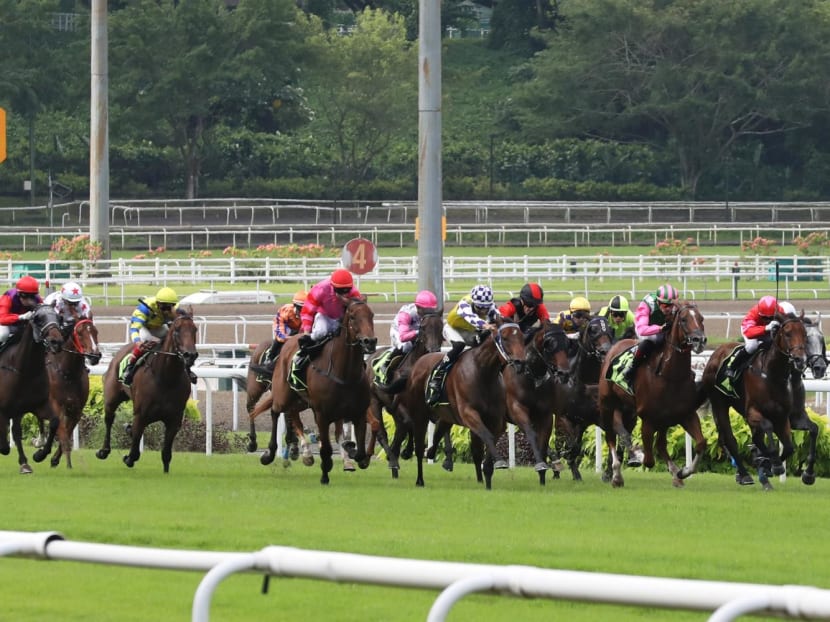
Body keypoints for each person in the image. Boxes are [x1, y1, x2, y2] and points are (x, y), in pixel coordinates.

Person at [426, 284, 499, 407]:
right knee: (459, 346)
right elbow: (472, 318)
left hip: (470, 330)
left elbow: (499, 317)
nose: (483, 311)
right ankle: (438, 374)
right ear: (474, 302)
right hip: (452, 328)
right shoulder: (465, 303)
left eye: (486, 309)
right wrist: (486, 325)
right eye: (480, 308)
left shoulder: (490, 305)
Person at [122, 286, 194, 385]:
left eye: (169, 307)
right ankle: (130, 367)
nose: (166, 311)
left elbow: (185, 320)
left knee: (173, 338)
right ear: (158, 303)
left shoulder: (175, 309)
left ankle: (187, 369)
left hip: (159, 327)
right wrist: (138, 341)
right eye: (164, 307)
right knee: (148, 339)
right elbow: (135, 328)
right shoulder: (144, 308)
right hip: (144, 328)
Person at [296, 268, 363, 366]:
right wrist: (306, 332)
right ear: (332, 286)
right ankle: (304, 354)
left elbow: (359, 311)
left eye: (347, 290)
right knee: (321, 332)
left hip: (341, 318)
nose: (345, 294)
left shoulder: (354, 292)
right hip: (324, 316)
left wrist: (346, 302)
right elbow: (307, 310)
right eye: (341, 291)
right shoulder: (320, 289)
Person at [622, 283, 679, 386]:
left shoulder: (676, 307)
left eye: (671, 305)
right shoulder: (647, 304)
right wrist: (660, 328)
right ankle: (632, 368)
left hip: (663, 329)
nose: (668, 309)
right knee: (653, 340)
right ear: (658, 301)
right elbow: (642, 330)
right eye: (665, 305)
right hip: (646, 329)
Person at [723, 295, 783, 379]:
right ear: (760, 313)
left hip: (769, 330)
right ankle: (732, 367)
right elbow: (749, 332)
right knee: (752, 346)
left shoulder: (781, 311)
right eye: (764, 318)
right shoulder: (753, 313)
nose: (768, 320)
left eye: (771, 318)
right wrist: (766, 328)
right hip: (750, 330)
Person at [261, 290, 306, 373]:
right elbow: (280, 336)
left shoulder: (308, 314)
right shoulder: (286, 311)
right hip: (285, 325)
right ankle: (270, 356)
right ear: (295, 306)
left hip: (298, 328)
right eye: (301, 309)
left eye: (306, 309)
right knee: (281, 338)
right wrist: (291, 338)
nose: (303, 312)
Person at [0, 275, 43, 347]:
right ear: (18, 293)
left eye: (31, 296)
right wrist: (21, 317)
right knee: (3, 334)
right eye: (25, 296)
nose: (28, 300)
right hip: (7, 325)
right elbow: (2, 319)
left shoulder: (37, 299)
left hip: (23, 325)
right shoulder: (8, 296)